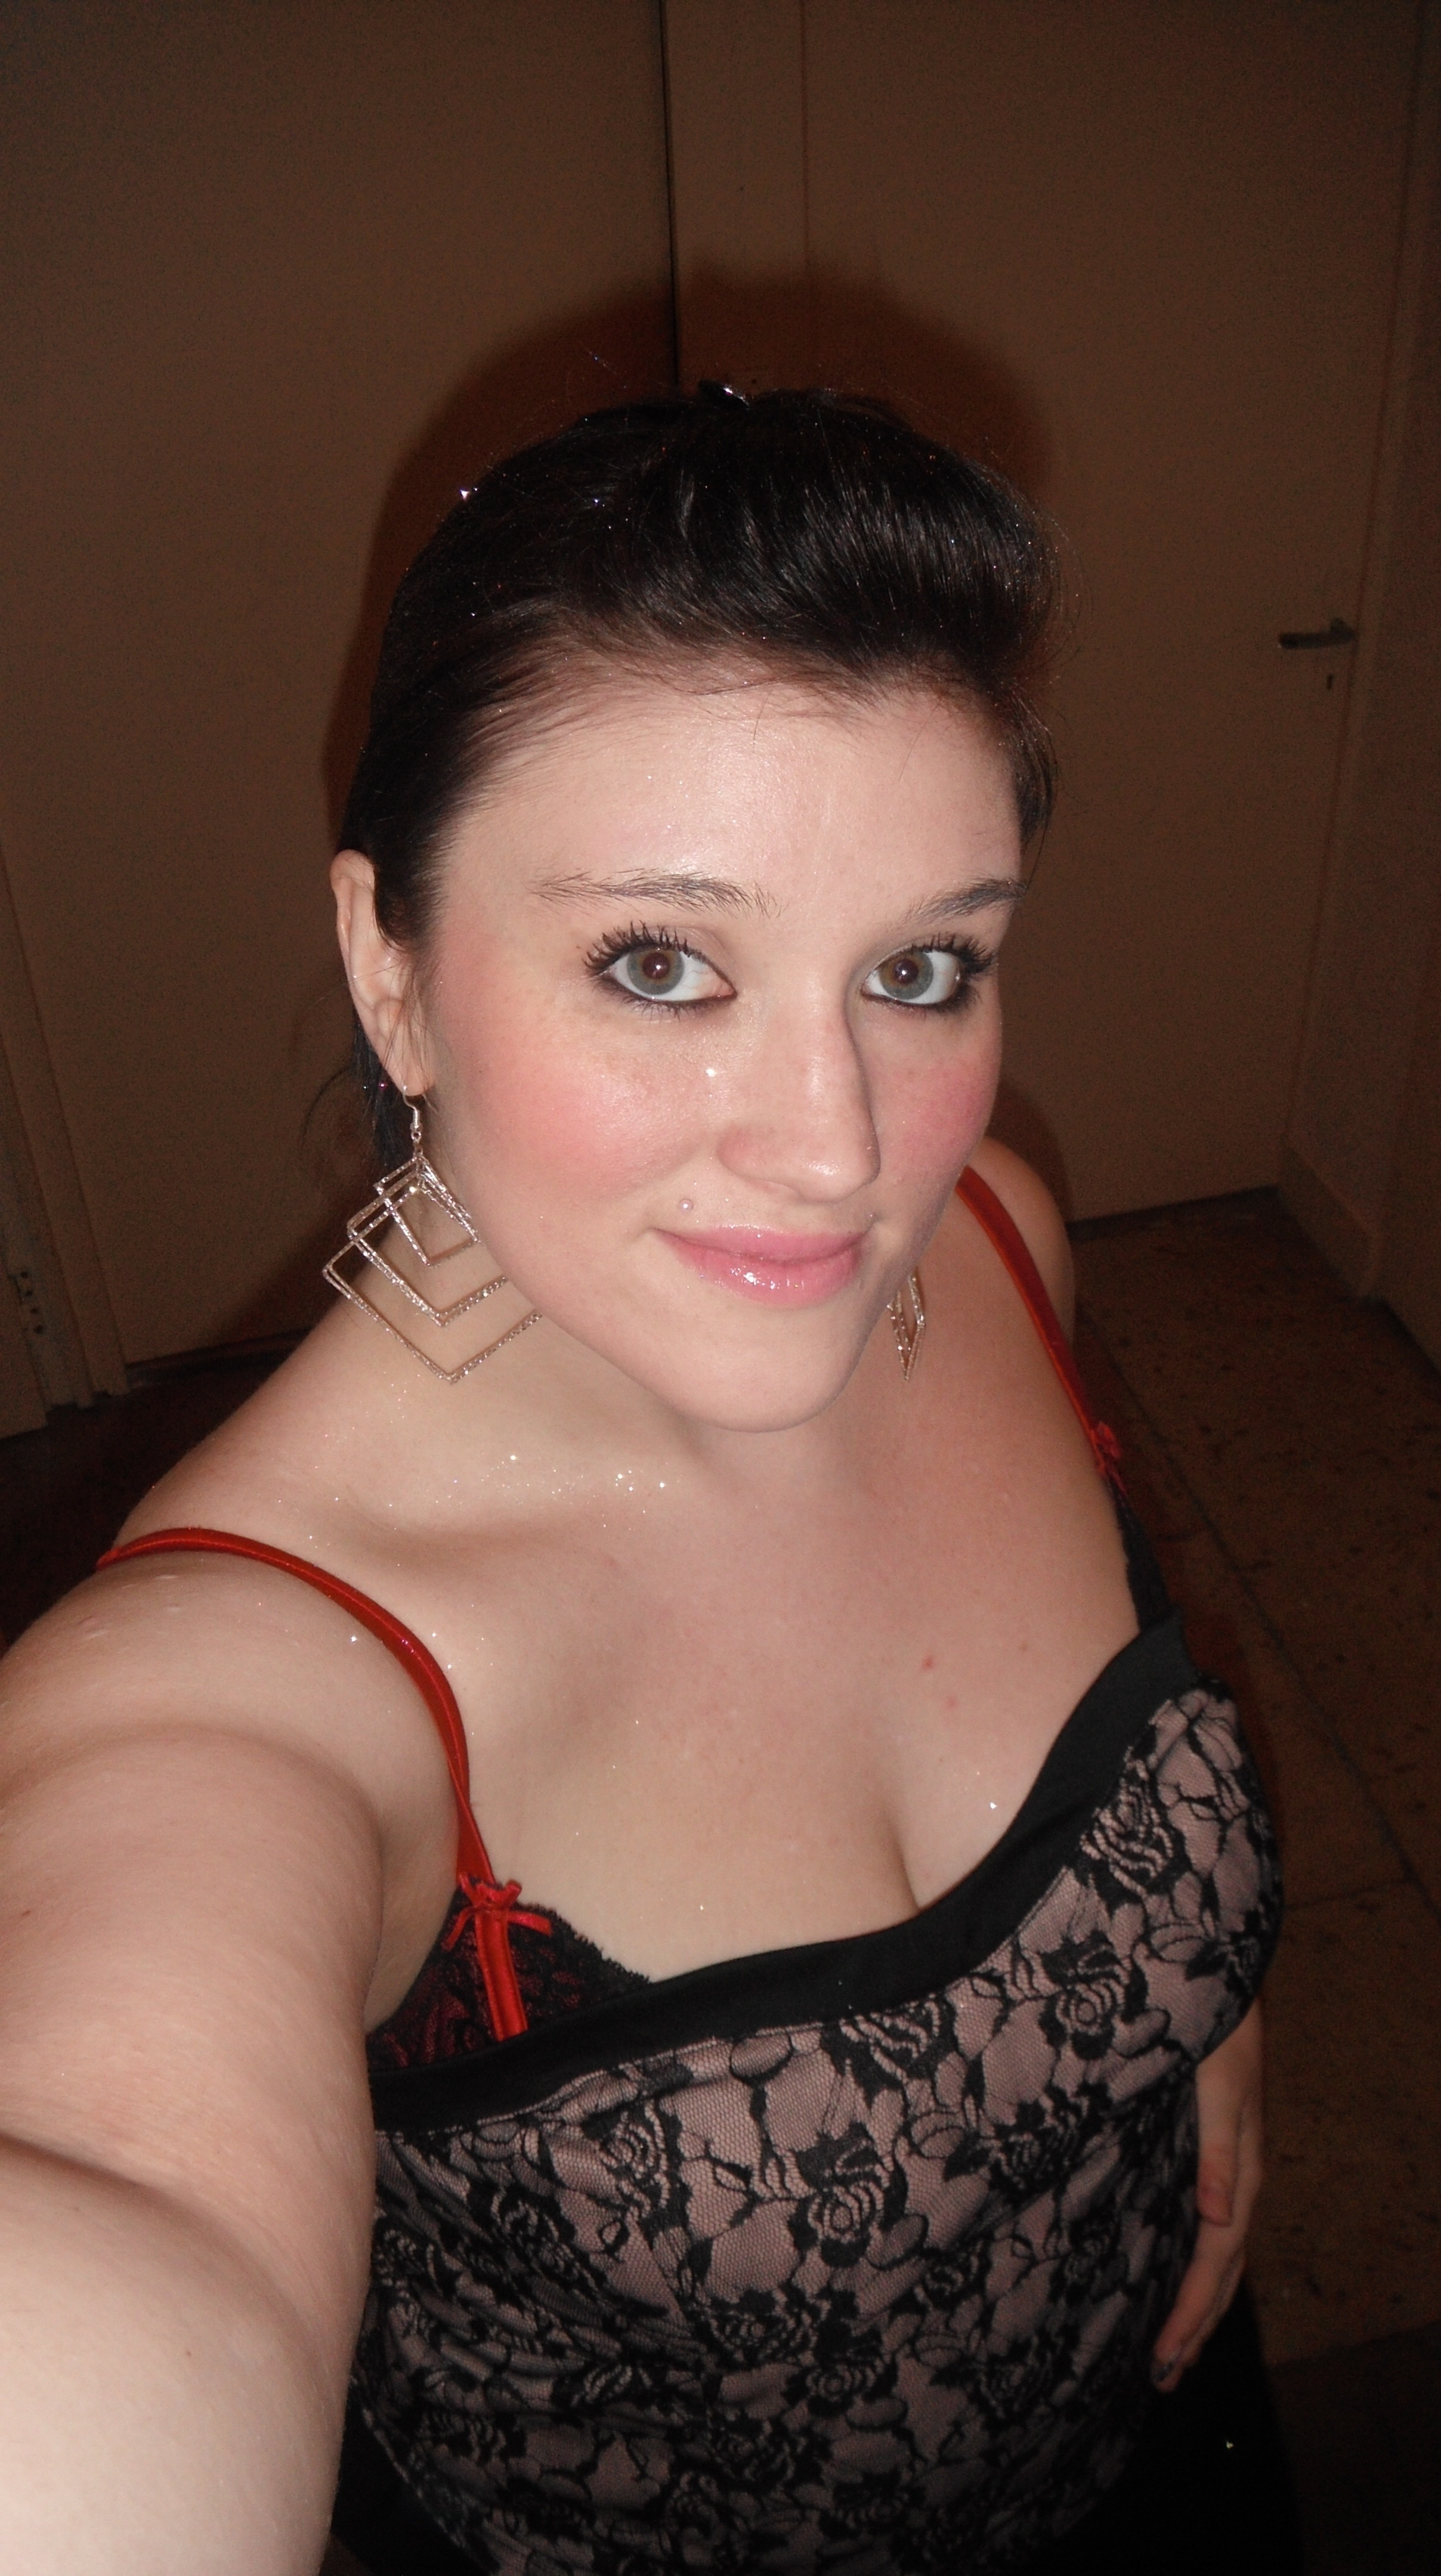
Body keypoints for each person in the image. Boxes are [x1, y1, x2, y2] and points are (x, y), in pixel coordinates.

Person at [0, 388, 1287, 2575]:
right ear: (392, 971)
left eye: (923, 968)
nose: (839, 1143)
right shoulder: (247, 1686)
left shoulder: (994, 1242)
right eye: (662, 964)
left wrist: (1197, 2022)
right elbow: (126, 2239)